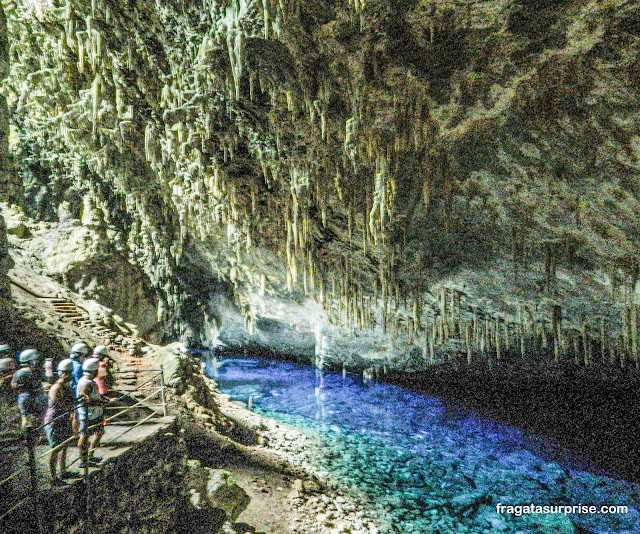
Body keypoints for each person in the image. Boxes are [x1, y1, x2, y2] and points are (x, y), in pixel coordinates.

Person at [43, 359, 76, 486]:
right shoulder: (56, 387)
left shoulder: (64, 387)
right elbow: (58, 403)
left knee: (64, 445)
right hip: (54, 419)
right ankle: (53, 476)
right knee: (56, 448)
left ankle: (63, 471)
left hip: (62, 418)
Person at [76, 358, 104, 468]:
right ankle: (83, 461)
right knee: (84, 436)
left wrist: (101, 398)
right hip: (88, 415)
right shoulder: (85, 383)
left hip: (94, 413)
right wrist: (99, 401)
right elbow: (84, 399)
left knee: (99, 432)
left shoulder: (88, 381)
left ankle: (90, 455)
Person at [11, 349, 47, 430]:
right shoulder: (32, 372)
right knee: (41, 417)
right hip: (34, 397)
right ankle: (41, 434)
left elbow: (13, 385)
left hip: (22, 398)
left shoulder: (18, 372)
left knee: (24, 418)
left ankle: (23, 436)